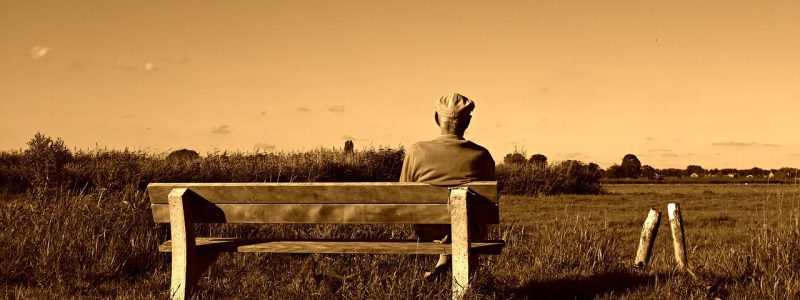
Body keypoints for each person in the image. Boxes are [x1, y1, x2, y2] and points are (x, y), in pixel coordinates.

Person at [400, 93, 496, 279]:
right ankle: (468, 282)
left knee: (446, 219)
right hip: (469, 230)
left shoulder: (416, 151)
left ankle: (443, 263)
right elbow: (490, 202)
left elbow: (403, 193)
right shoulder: (482, 155)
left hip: (427, 229)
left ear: (436, 119)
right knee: (467, 216)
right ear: (467, 122)